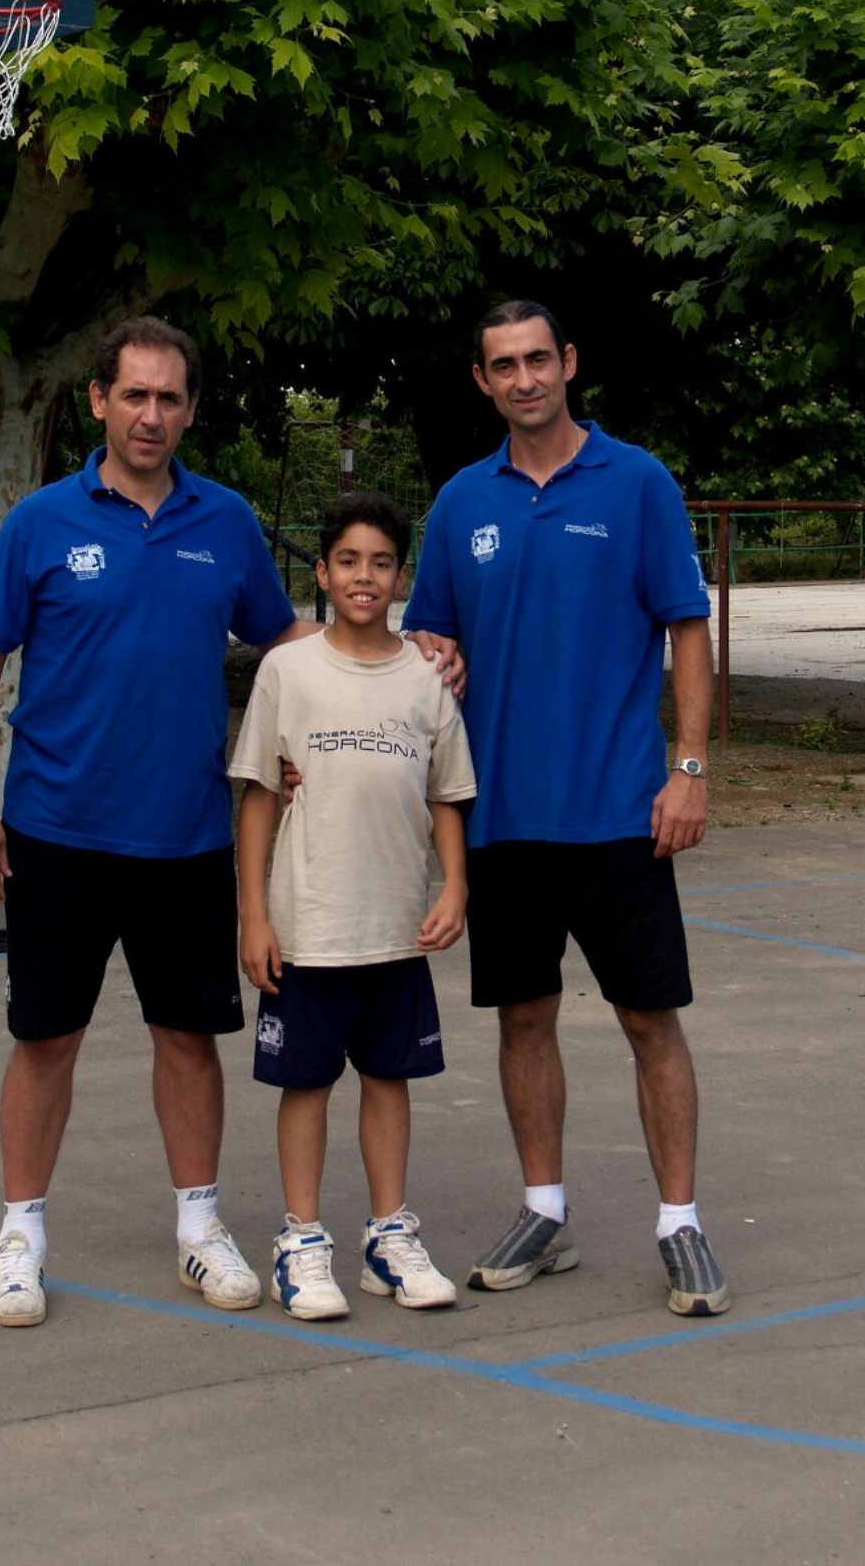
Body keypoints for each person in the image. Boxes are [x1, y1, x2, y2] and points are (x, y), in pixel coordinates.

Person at [0, 315, 310, 1328]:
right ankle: (21, 1236)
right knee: (46, 1038)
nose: (151, 414)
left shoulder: (226, 522)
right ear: (99, 400)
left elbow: (288, 643)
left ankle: (200, 1225)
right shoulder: (40, 523)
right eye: (134, 395)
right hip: (56, 831)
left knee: (189, 1039)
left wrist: (394, 657)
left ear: (190, 410)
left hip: (188, 835)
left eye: (169, 397)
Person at [403, 299, 730, 1317]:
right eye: (504, 364)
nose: (525, 378)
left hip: (621, 811)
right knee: (524, 1016)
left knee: (651, 1021)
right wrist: (437, 655)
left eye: (538, 358)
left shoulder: (638, 482)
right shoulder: (461, 501)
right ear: (482, 380)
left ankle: (680, 1223)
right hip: (503, 817)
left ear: (569, 362)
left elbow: (687, 628)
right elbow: (429, 638)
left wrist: (689, 766)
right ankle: (544, 1211)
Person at [231, 491, 476, 1321]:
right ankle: (301, 1241)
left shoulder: (426, 678)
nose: (364, 577)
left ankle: (388, 1236)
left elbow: (447, 794)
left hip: (394, 928)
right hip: (308, 928)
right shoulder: (287, 672)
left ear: (401, 576)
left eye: (380, 563)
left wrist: (455, 887)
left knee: (389, 1078)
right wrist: (254, 916)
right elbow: (258, 795)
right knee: (304, 1085)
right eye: (347, 561)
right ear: (323, 573)